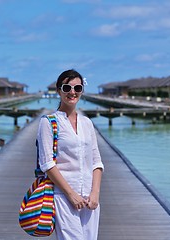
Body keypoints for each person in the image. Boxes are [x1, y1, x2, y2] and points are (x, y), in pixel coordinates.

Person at [37, 69, 104, 239]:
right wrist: (71, 194)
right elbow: (47, 164)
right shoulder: (48, 122)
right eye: (67, 88)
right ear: (59, 91)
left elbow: (96, 162)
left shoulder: (87, 123)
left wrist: (95, 193)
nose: (72, 92)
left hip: (90, 199)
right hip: (64, 196)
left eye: (77, 88)